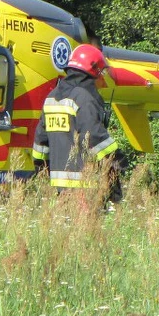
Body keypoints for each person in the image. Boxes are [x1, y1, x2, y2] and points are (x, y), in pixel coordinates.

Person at [32, 43, 122, 203]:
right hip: (86, 187)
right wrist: (119, 161)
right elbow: (94, 138)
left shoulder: (52, 97)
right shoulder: (84, 98)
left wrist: (43, 171)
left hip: (59, 189)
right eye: (101, 73)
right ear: (93, 72)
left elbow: (40, 144)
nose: (103, 79)